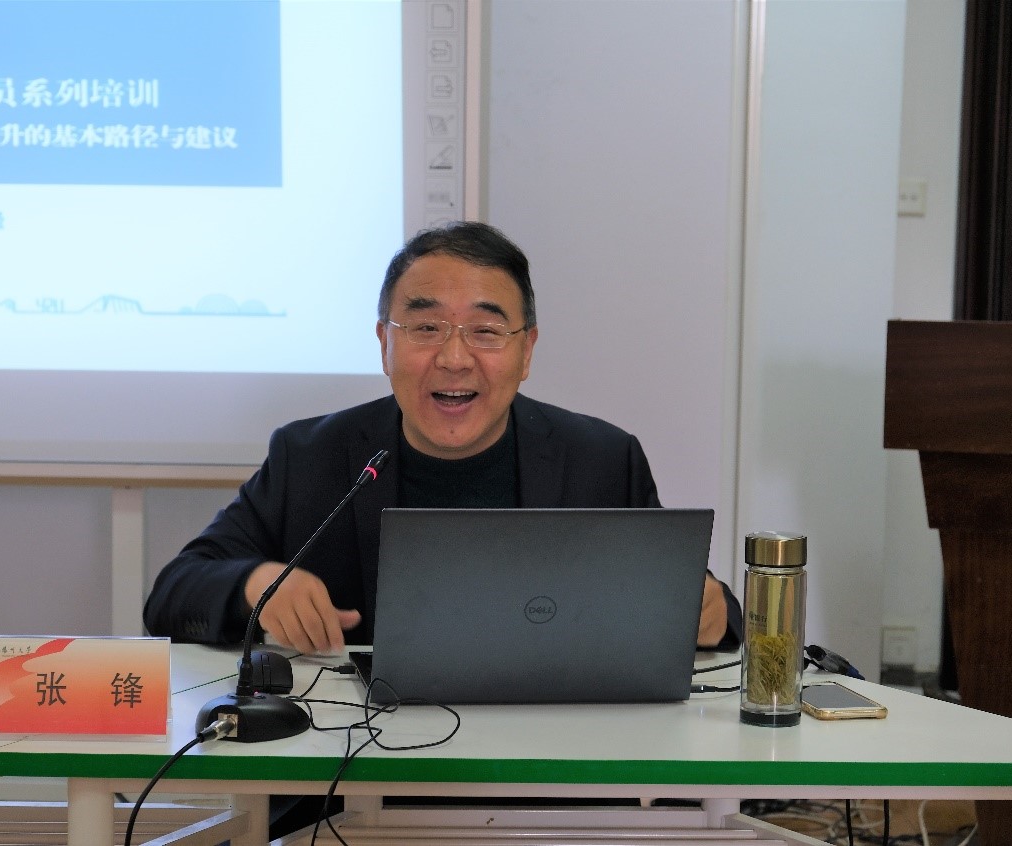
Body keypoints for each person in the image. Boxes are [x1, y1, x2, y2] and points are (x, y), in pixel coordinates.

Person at [144, 220, 742, 652]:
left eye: (486, 331)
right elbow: (172, 594)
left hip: (549, 766)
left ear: (526, 351)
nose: (454, 359)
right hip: (359, 765)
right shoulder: (310, 458)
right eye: (426, 328)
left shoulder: (601, 461)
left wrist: (713, 613)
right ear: (385, 343)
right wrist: (255, 586)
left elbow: (701, 608)